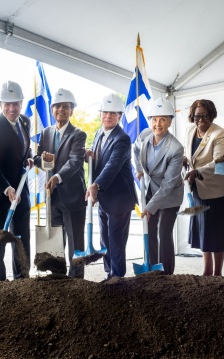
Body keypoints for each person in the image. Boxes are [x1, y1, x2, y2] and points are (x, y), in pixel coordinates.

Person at [184, 99, 224, 276]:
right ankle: (207, 270)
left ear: (212, 115)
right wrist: (185, 160)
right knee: (204, 230)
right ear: (192, 116)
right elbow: (190, 154)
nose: (201, 119)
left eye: (205, 115)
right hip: (199, 189)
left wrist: (197, 171)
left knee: (218, 233)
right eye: (197, 115)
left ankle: (217, 273)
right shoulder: (189, 130)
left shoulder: (221, 134)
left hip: (220, 190)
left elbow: (220, 162)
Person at [33, 88, 87, 278]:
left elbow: (74, 162)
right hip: (52, 198)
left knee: (75, 245)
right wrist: (40, 159)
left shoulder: (78, 135)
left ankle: (77, 282)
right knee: (55, 243)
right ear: (52, 109)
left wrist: (57, 177)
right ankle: (57, 278)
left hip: (73, 198)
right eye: (57, 106)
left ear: (72, 110)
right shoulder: (46, 133)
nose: (61, 110)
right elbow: (38, 156)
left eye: (66, 107)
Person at [0, 81, 34, 280]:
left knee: (22, 238)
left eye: (16, 104)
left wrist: (29, 156)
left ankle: (22, 278)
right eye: (7, 104)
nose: (12, 108)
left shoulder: (25, 122)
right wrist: (6, 188)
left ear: (21, 103)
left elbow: (22, 149)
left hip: (21, 191)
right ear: (0, 104)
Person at [85, 94, 136, 279]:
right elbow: (100, 160)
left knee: (116, 241)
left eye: (113, 113)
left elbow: (112, 165)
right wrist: (90, 153)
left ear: (119, 116)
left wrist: (96, 184)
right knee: (105, 239)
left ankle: (118, 278)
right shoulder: (100, 133)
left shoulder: (122, 139)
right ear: (100, 114)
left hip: (120, 199)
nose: (108, 116)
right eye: (105, 112)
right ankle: (109, 275)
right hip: (105, 197)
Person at [133, 98, 184, 275]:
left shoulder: (176, 148)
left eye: (162, 119)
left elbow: (169, 183)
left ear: (170, 121)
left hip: (170, 195)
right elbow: (135, 149)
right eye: (154, 119)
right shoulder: (145, 135)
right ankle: (152, 270)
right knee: (150, 230)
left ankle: (167, 274)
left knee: (164, 233)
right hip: (150, 190)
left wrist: (150, 207)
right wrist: (139, 169)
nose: (158, 124)